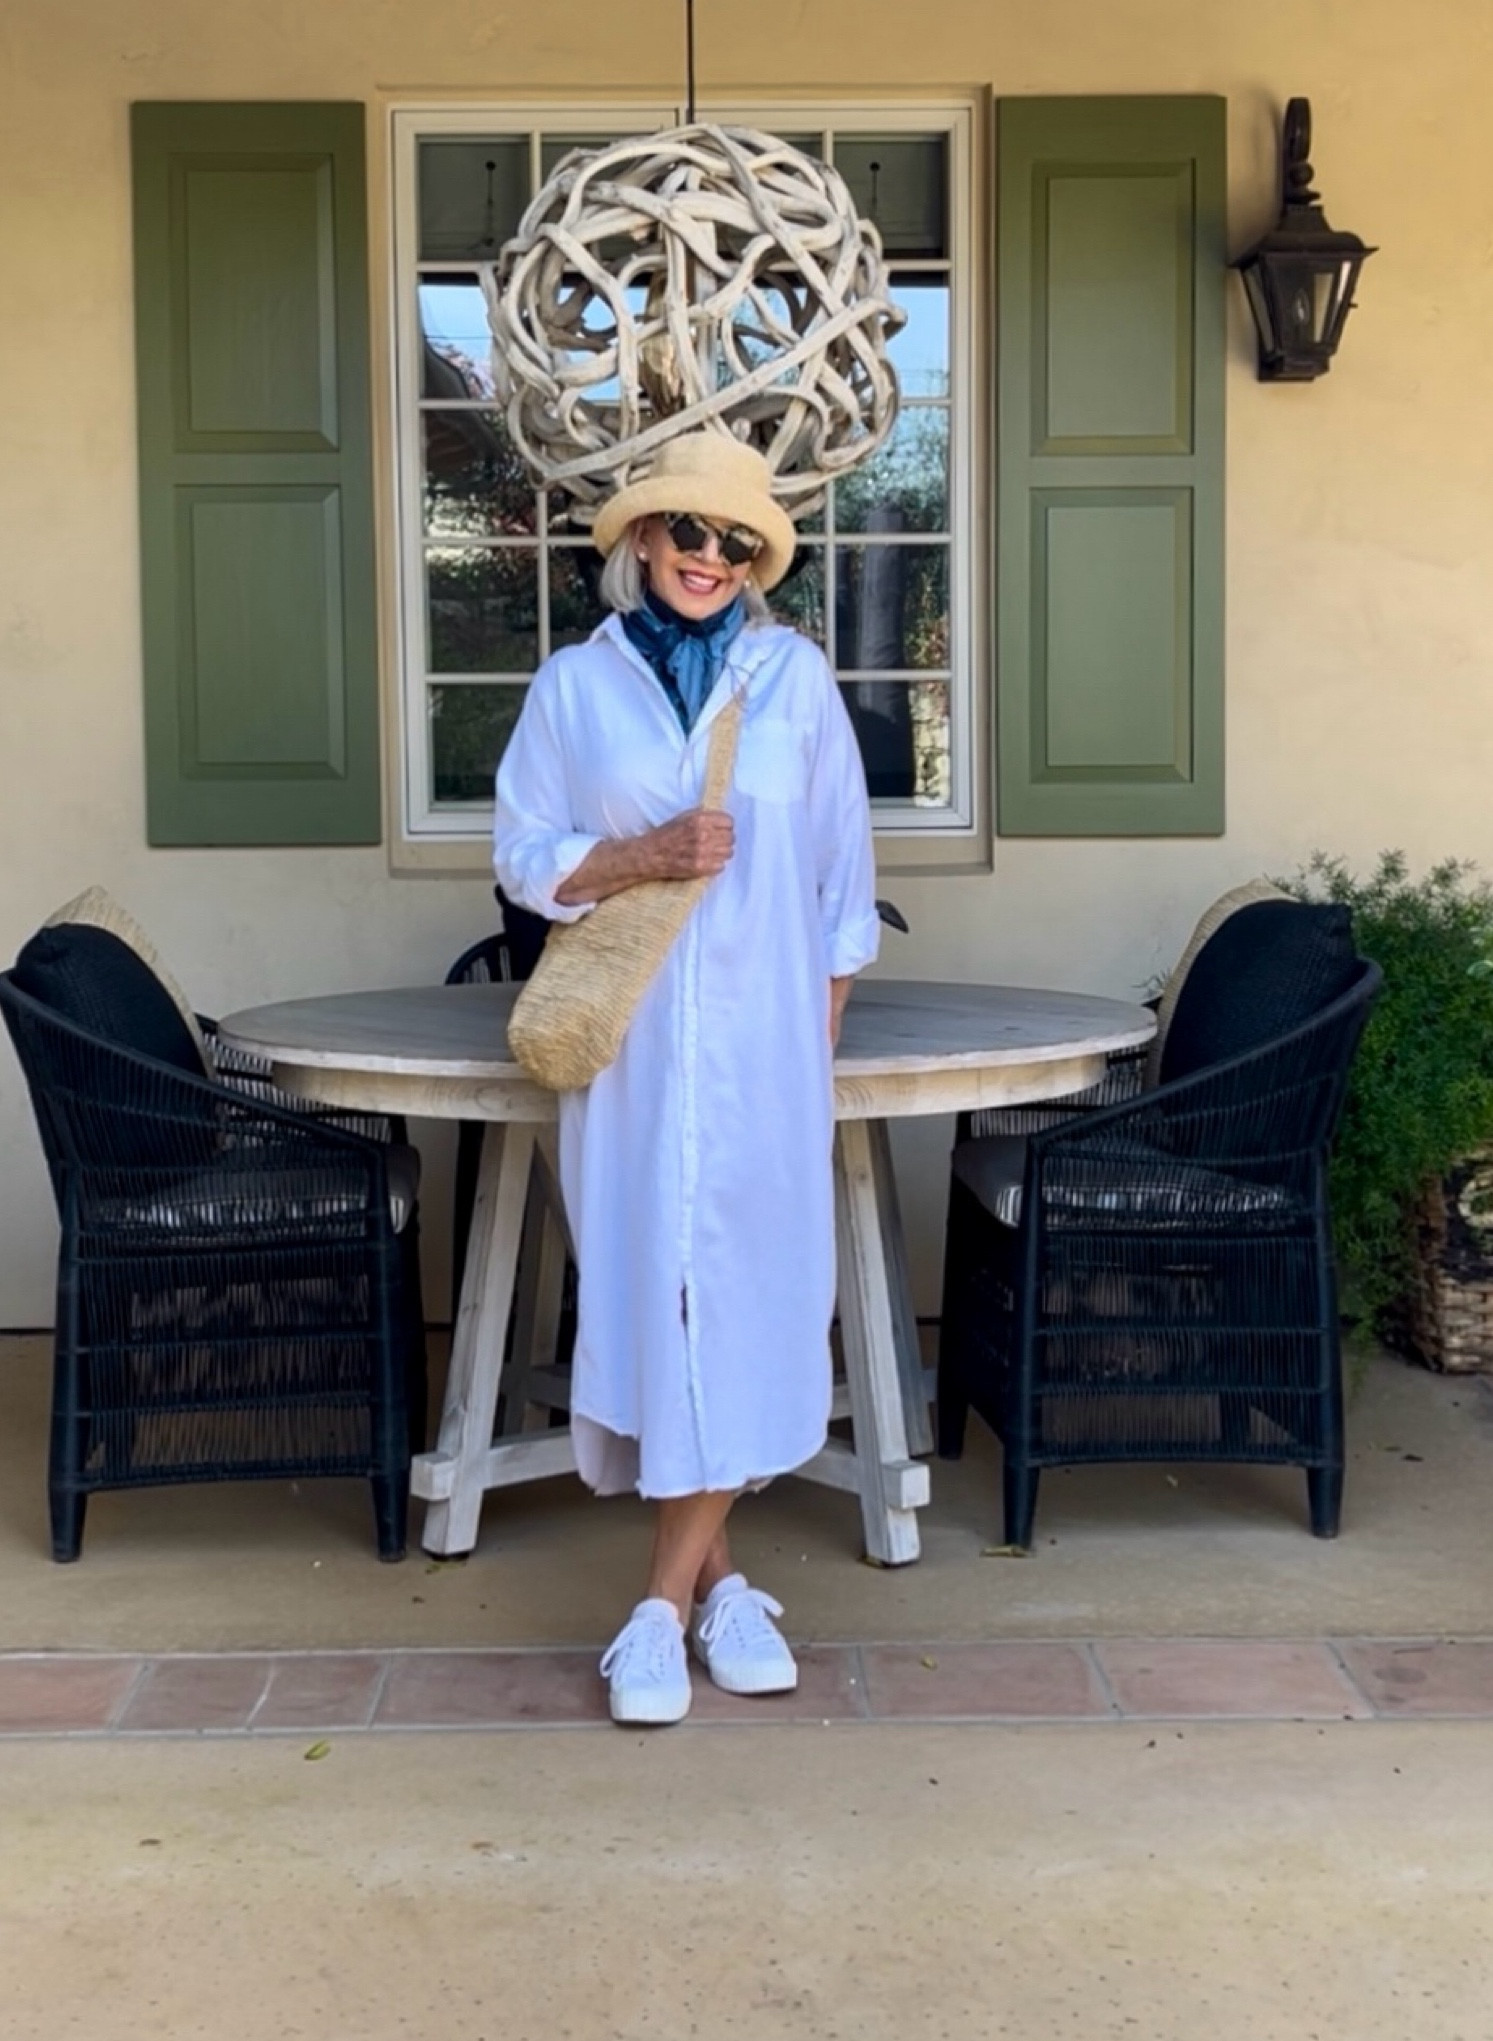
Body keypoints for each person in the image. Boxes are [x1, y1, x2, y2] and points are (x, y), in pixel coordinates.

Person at [493, 430, 879, 1725]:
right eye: (687, 533)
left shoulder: (793, 681)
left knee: (756, 1297)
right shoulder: (572, 687)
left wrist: (806, 1042)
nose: (708, 557)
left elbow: (839, 882)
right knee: (656, 1292)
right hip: (632, 1049)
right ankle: (713, 1591)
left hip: (764, 1053)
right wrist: (638, 851)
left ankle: (657, 1608)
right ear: (642, 540)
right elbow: (522, 853)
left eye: (734, 542)